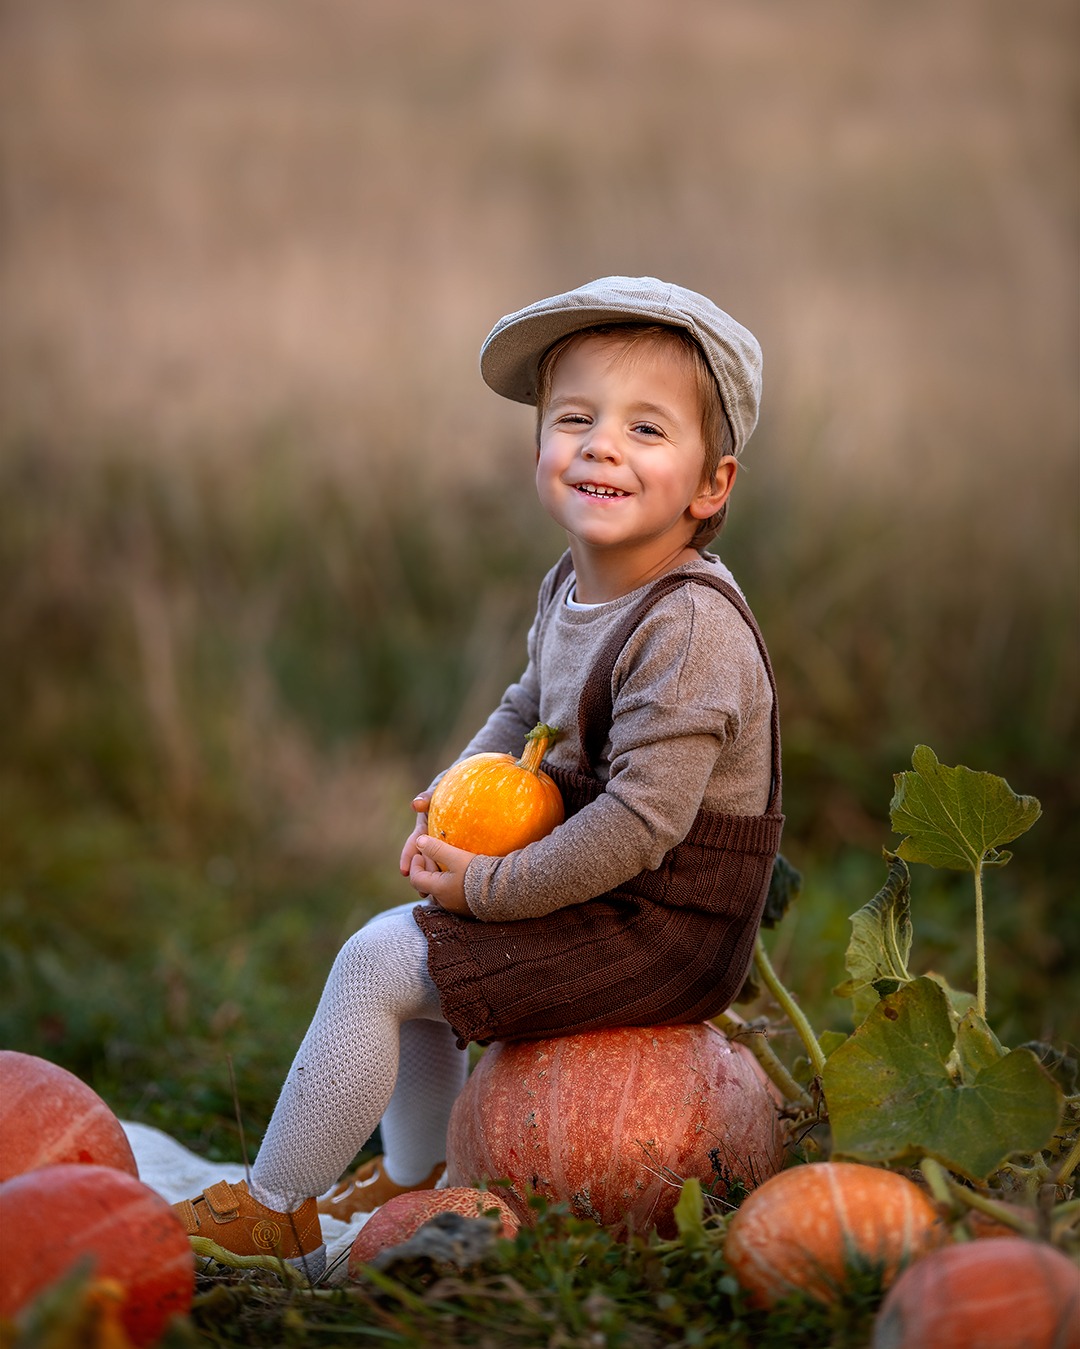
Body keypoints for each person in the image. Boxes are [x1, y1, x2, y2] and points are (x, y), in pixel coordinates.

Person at [175, 276, 784, 1282]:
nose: (601, 445)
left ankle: (276, 1207)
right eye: (575, 419)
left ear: (710, 485)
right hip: (599, 878)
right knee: (415, 959)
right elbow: (527, 710)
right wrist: (457, 786)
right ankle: (412, 1176)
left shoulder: (689, 630)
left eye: (645, 428)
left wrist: (491, 887)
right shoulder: (574, 581)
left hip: (666, 923)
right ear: (539, 445)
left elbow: (639, 823)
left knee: (382, 962)